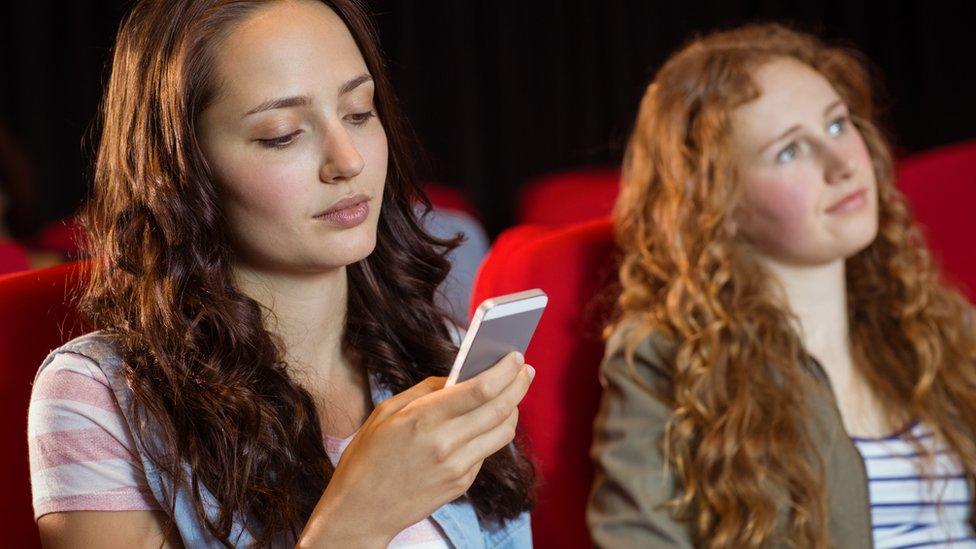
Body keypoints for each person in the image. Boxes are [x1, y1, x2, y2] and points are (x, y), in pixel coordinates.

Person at [28, 1, 536, 546]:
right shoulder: (100, 395)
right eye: (282, 134)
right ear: (180, 170)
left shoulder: (439, 351)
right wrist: (359, 518)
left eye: (360, 112)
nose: (348, 161)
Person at [588, 24, 976, 548]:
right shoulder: (668, 358)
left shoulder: (941, 326)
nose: (842, 164)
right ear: (716, 205)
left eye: (838, 126)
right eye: (791, 151)